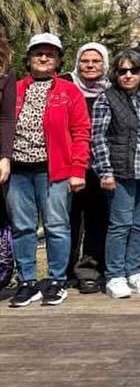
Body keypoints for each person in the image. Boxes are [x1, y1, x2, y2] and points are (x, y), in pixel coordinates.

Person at [7, 34, 86, 308]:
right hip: (17, 171)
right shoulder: (13, 89)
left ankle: (56, 280)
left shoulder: (68, 91)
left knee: (56, 226)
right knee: (22, 227)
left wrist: (78, 170)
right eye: (38, 53)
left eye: (49, 54)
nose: (43, 58)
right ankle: (27, 280)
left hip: (54, 170)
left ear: (58, 60)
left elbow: (81, 132)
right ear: (28, 59)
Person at [92, 48, 140, 301]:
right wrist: (105, 171)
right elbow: (98, 138)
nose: (128, 75)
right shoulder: (107, 99)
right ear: (115, 74)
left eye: (134, 70)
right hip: (121, 171)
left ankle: (134, 271)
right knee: (120, 224)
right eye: (122, 71)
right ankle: (115, 276)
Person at [67, 41, 109, 294]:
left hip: (99, 167)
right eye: (85, 60)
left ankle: (89, 270)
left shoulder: (112, 90)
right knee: (66, 221)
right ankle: (62, 270)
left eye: (96, 61)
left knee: (97, 220)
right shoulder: (64, 85)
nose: (90, 65)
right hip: (68, 165)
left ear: (104, 64)